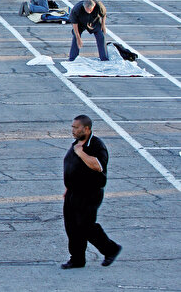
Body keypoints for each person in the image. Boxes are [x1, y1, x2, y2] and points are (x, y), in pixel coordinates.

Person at [61, 115, 121, 269]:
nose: (73, 130)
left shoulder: (95, 145)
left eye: (76, 127)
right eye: (72, 127)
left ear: (86, 129)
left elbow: (98, 166)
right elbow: (74, 166)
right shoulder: (78, 143)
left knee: (86, 225)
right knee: (72, 226)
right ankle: (77, 259)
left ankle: (111, 249)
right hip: (73, 192)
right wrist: (68, 187)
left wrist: (81, 153)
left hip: (89, 193)